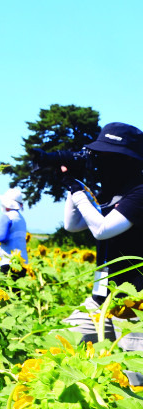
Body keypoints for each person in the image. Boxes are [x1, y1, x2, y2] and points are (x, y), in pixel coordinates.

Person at [61, 122, 143, 385]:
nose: (102, 162)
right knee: (67, 344)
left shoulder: (139, 192)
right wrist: (73, 186)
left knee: (133, 380)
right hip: (100, 299)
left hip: (135, 305)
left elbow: (102, 229)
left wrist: (80, 194)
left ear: (129, 160)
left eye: (109, 156)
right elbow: (71, 225)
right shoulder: (111, 192)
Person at [0, 188, 29, 277]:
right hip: (22, 261)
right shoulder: (21, 218)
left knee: (6, 288)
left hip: (8, 261)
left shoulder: (6, 217)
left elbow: (2, 238)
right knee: (17, 289)